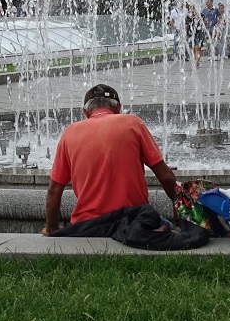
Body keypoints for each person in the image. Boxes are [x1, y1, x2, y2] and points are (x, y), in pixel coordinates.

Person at [42, 84, 177, 235]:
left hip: (87, 226)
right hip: (132, 222)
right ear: (118, 108)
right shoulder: (133, 123)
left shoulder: (69, 133)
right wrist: (184, 217)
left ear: (85, 112)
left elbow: (54, 190)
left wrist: (51, 229)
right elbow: (167, 177)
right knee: (166, 224)